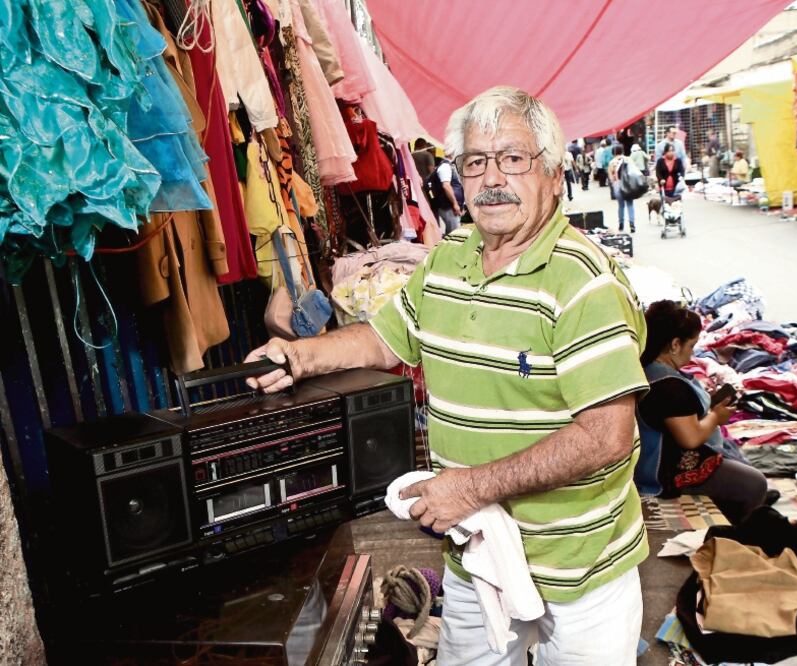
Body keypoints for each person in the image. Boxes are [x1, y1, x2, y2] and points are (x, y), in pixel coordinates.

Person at [244, 86, 649, 665]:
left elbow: (604, 437)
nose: (491, 179)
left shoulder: (585, 283)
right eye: (475, 162)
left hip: (580, 567)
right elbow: (386, 338)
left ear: (554, 174)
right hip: (478, 553)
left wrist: (467, 488)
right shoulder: (449, 255)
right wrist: (301, 357)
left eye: (513, 158)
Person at [635, 300, 767, 524]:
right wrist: (716, 417)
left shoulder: (645, 368)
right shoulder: (668, 386)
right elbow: (691, 438)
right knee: (756, 484)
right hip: (660, 473)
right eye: (691, 345)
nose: (692, 353)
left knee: (734, 458)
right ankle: (735, 537)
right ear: (675, 344)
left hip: (644, 457)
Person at [429, 155, 465, 233]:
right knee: (454, 233)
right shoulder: (445, 167)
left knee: (452, 232)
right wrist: (455, 204)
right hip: (448, 206)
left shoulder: (450, 166)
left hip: (450, 205)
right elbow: (446, 186)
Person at [608, 145, 636, 232]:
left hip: (618, 186)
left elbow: (611, 177)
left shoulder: (612, 162)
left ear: (613, 153)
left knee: (621, 206)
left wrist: (614, 183)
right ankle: (632, 224)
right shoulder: (628, 159)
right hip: (628, 185)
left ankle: (621, 224)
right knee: (630, 205)